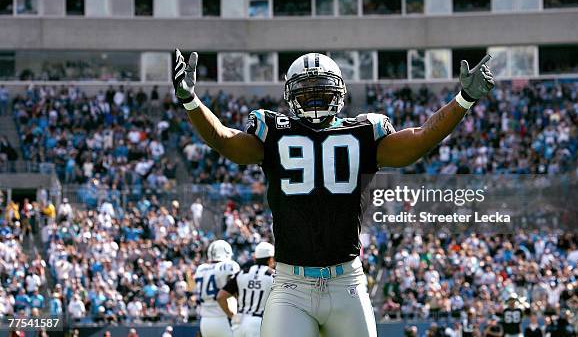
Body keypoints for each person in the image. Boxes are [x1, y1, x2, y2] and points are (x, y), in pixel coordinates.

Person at [172, 50, 494, 337]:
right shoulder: (273, 131)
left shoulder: (363, 132)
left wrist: (463, 99)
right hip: (291, 286)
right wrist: (191, 100)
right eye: (306, 92)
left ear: (338, 92)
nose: (314, 100)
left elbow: (421, 139)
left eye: (321, 91)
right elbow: (226, 140)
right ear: (290, 95)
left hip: (347, 283)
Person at [218, 242, 275, 337]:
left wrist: (232, 316)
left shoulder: (241, 273)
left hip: (240, 323)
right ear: (270, 259)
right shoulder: (274, 276)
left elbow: (221, 297)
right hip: (259, 323)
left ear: (255, 258)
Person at [194, 240, 240, 337]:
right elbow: (236, 293)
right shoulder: (229, 266)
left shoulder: (201, 269)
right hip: (224, 318)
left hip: (205, 321)